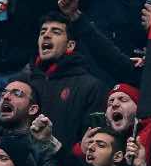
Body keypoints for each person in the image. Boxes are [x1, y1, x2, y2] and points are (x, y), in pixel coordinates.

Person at [30, 12, 103, 151]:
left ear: (70, 45)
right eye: (42, 32)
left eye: (56, 32)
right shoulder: (25, 83)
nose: (46, 35)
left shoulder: (89, 86)